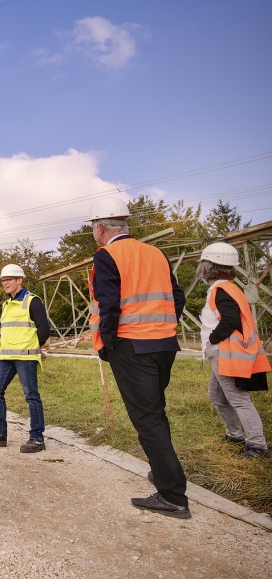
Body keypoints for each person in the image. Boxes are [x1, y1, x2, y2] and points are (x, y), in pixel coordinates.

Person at [88, 197, 190, 519]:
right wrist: (164, 326)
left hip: (133, 347)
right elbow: (177, 296)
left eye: (93, 228)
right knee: (155, 413)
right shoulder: (154, 253)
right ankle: (163, 475)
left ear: (101, 228)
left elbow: (109, 305)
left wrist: (108, 345)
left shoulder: (106, 255)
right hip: (164, 344)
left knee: (147, 420)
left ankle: (172, 495)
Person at [197, 242, 270, 458]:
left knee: (238, 399)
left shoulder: (220, 290)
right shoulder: (227, 288)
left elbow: (229, 320)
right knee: (217, 397)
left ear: (208, 266)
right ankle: (235, 434)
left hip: (223, 351)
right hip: (222, 352)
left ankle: (257, 445)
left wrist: (212, 339)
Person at [0, 264, 51, 453]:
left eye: (9, 279)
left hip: (25, 358)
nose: (5, 283)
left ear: (19, 280)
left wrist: (33, 348)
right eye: (3, 280)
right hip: (5, 357)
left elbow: (44, 330)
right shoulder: (5, 304)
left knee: (31, 396)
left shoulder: (32, 302)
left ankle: (37, 438)